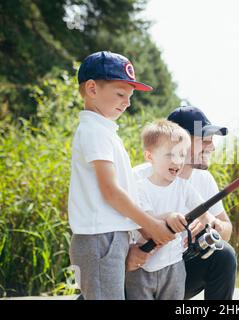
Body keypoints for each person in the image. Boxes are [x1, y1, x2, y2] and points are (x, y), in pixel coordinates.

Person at [68, 51, 174, 300]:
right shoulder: (94, 131)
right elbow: (111, 192)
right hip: (99, 241)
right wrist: (151, 226)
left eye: (130, 96)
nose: (127, 102)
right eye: (120, 94)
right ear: (92, 88)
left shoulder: (104, 130)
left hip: (107, 238)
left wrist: (142, 227)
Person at [128, 105, 237, 300]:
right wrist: (127, 255)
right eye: (205, 140)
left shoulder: (204, 179)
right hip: (136, 272)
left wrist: (212, 225)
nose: (212, 147)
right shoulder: (136, 178)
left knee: (224, 255)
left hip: (177, 270)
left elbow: (226, 230)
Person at [126, 119, 212, 300]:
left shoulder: (184, 186)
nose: (178, 161)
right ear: (150, 156)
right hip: (142, 268)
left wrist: (208, 223)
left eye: (182, 155)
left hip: (174, 267)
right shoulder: (140, 188)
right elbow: (148, 223)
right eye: (170, 155)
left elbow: (204, 212)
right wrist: (169, 217)